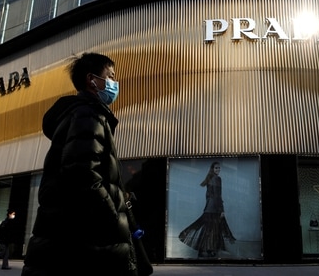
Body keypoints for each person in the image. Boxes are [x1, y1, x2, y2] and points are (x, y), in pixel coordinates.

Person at [21, 52, 149, 275]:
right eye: (110, 76)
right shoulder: (89, 115)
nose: (114, 83)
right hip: (87, 243)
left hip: (73, 241)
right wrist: (112, 217)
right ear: (92, 81)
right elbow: (83, 173)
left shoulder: (78, 115)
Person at [178, 161, 236, 258]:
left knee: (208, 230)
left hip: (209, 208)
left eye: (219, 168)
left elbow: (208, 196)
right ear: (212, 169)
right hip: (214, 209)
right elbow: (218, 195)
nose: (218, 170)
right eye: (216, 168)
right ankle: (209, 250)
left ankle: (205, 250)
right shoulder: (217, 179)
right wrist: (221, 210)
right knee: (212, 230)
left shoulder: (209, 179)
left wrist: (208, 206)